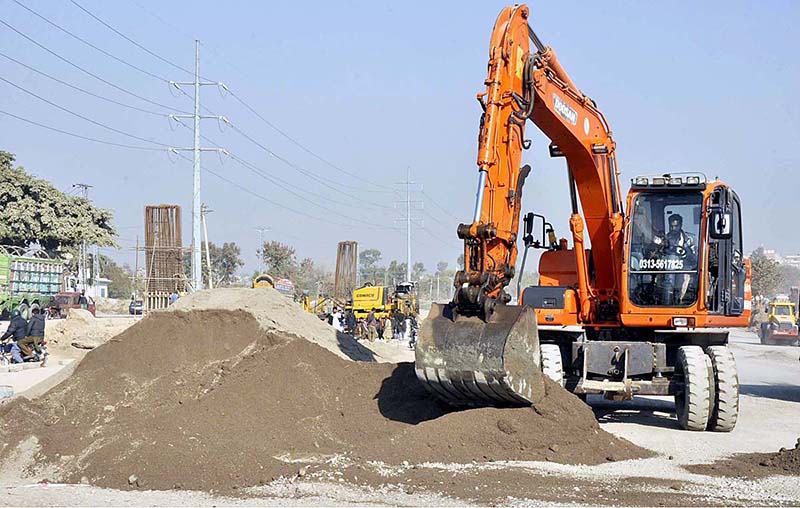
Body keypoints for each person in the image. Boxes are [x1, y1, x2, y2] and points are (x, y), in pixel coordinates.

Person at [663, 213, 697, 304]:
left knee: (681, 284)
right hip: (667, 270)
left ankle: (679, 301)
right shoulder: (664, 239)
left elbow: (694, 259)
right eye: (671, 226)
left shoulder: (689, 240)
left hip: (684, 268)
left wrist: (686, 253)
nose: (673, 229)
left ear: (681, 225)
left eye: (676, 226)